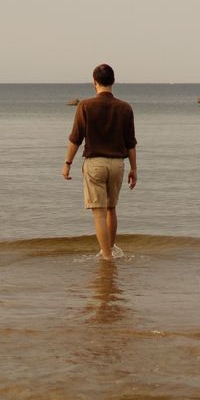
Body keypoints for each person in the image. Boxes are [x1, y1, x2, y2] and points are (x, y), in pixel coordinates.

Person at [62, 63, 137, 259]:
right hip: (117, 165)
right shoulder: (125, 108)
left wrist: (67, 163)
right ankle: (110, 250)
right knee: (112, 209)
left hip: (95, 164)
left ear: (94, 82)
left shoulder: (85, 105)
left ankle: (106, 256)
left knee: (99, 213)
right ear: (113, 81)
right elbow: (131, 143)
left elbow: (75, 139)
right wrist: (134, 169)